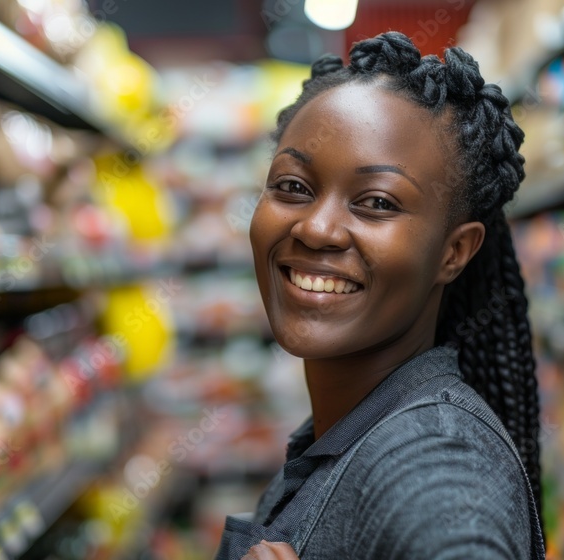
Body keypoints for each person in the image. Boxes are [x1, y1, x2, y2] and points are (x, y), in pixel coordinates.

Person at [214, 32, 545, 559]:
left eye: (376, 202)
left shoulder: (438, 468)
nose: (317, 228)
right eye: (294, 187)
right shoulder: (352, 427)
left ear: (453, 252)